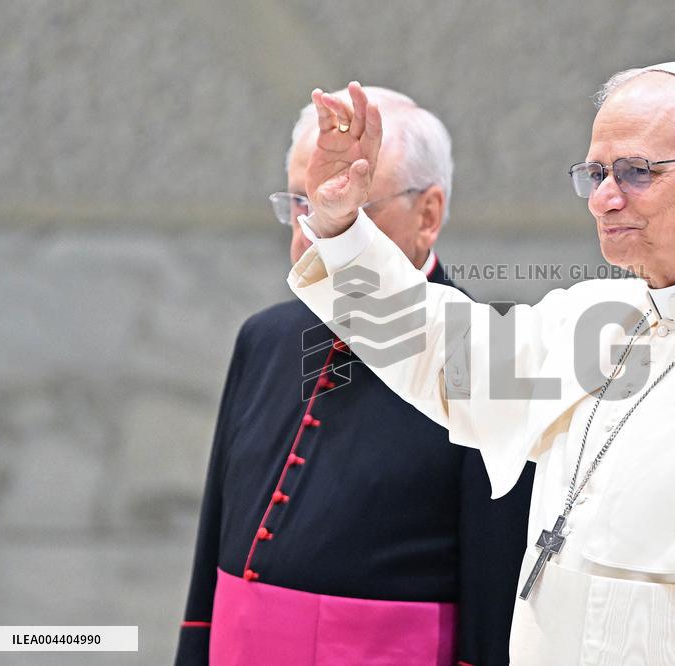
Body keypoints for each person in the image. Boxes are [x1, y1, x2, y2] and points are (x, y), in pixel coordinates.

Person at [287, 65, 675, 666]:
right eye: (595, 174)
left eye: (636, 172)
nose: (603, 200)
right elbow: (436, 354)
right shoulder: (602, 314)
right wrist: (341, 228)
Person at [176, 86, 534, 666]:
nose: (312, 231)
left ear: (429, 213)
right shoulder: (263, 339)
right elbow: (210, 569)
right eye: (301, 201)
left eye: (350, 206)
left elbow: (494, 593)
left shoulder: (482, 358)